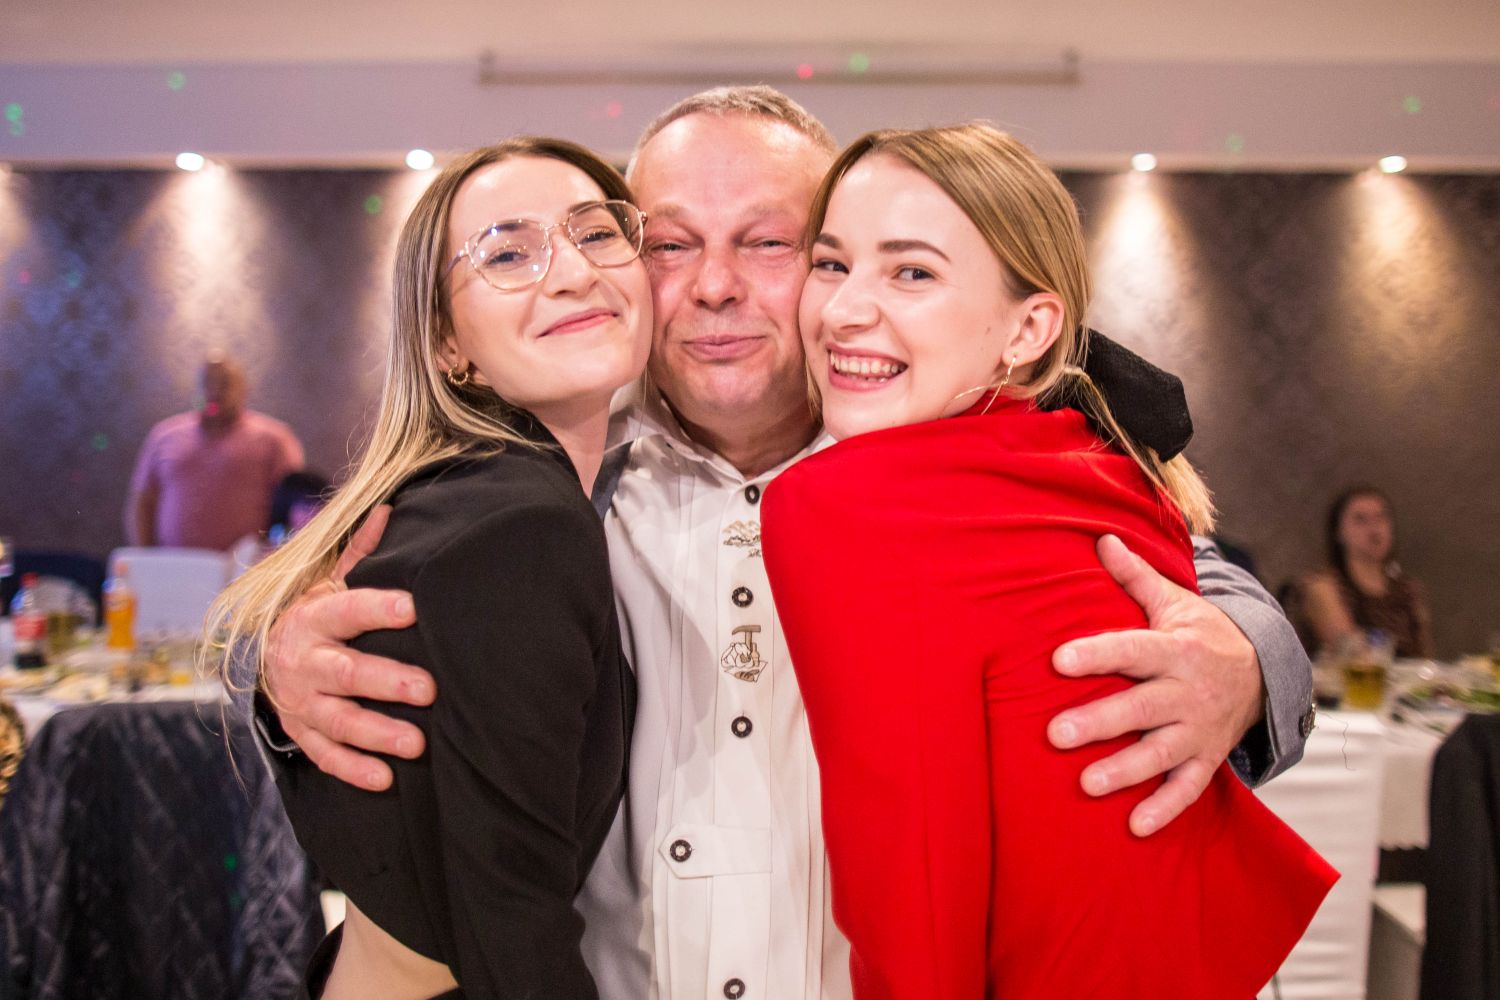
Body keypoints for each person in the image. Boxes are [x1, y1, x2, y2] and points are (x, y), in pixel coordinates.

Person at [252, 88, 1317, 1000]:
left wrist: (1245, 662)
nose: (716, 285)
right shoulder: (547, 486)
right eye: (671, 245)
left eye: (770, 244)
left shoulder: (957, 468)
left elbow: (1191, 576)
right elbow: (353, 619)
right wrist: (275, 674)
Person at [762, 123, 1335, 998]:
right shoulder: (1105, 457)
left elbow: (914, 879)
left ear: (1030, 327)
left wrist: (1252, 659)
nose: (842, 310)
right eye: (832, 263)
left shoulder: (841, 501)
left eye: (911, 272)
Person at [208, 137, 649, 998]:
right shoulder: (521, 525)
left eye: (597, 233)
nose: (572, 272)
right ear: (447, 343)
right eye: (509, 254)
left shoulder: (456, 498)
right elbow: (510, 922)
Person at [125, 356, 305, 550]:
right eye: (207, 383)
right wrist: (145, 557)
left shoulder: (274, 438)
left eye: (224, 384)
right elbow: (143, 501)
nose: (215, 391)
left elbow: (296, 504)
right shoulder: (164, 435)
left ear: (243, 390)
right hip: (173, 562)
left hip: (247, 564)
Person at [1302, 486, 1433, 658]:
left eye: (1381, 517)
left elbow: (1424, 658)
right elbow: (1353, 655)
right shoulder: (1322, 587)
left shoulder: (1408, 590)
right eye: (1361, 520)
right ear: (1338, 532)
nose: (1374, 528)